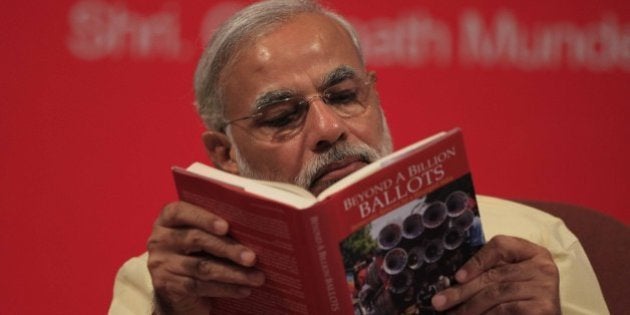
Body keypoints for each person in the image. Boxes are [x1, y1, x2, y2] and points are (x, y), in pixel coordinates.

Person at [109, 0, 608, 314]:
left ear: (374, 95)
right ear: (225, 154)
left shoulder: (536, 242)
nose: (329, 129)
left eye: (344, 95)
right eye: (283, 116)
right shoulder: (166, 281)